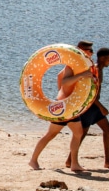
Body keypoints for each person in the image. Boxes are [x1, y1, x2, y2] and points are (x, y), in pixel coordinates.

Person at [29, 40, 93, 172]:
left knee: (59, 133)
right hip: (66, 106)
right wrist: (65, 91)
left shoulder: (78, 64)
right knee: (71, 133)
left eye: (92, 50)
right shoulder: (73, 66)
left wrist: (61, 93)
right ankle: (35, 160)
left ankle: (34, 160)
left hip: (67, 104)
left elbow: (59, 76)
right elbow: (65, 81)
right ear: (80, 50)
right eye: (89, 50)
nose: (91, 53)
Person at [66, 47, 109, 170]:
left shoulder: (100, 69)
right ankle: (70, 160)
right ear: (102, 58)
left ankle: (108, 161)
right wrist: (102, 107)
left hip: (94, 106)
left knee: (107, 130)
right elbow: (90, 93)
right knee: (82, 133)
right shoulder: (95, 70)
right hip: (90, 106)